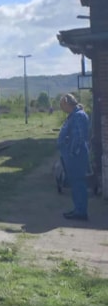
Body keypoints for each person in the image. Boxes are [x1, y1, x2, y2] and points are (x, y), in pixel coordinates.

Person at [58, 93, 91, 221]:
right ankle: (78, 209)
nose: (62, 108)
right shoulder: (74, 115)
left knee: (78, 183)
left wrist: (71, 153)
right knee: (75, 183)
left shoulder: (78, 116)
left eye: (62, 105)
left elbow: (79, 137)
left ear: (67, 103)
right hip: (74, 155)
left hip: (76, 156)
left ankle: (81, 212)